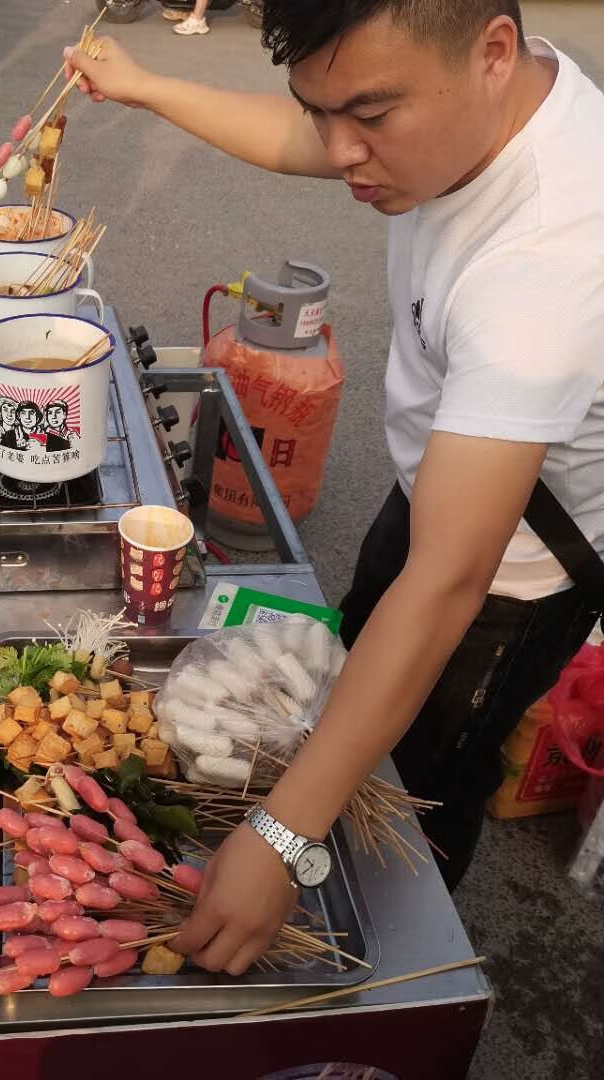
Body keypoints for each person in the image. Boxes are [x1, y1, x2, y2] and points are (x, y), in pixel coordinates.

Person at [66, 0, 604, 975]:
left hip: (510, 581)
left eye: (370, 116)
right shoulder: (461, 106)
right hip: (443, 485)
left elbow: (448, 580)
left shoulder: (548, 263)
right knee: (353, 694)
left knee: (425, 781)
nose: (343, 153)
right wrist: (142, 85)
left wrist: (280, 836)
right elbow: (298, 137)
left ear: (491, 50)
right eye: (326, 112)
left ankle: (403, 955)